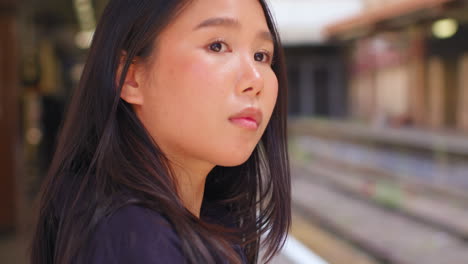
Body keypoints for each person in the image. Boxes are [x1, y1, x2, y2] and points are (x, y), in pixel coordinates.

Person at [30, 0, 291, 263]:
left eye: (261, 56)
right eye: (217, 46)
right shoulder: (134, 240)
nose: (256, 79)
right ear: (131, 77)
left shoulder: (207, 218)